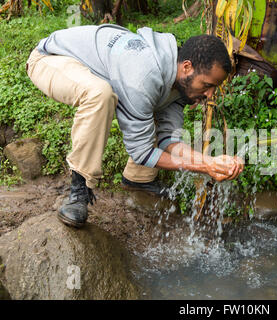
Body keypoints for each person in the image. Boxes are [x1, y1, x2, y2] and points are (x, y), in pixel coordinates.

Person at [26, 24, 244, 228]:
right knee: (100, 94)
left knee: (141, 102)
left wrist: (209, 161)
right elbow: (142, 152)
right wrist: (204, 168)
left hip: (94, 68)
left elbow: (169, 139)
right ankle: (79, 189)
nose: (209, 95)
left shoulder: (180, 82)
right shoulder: (144, 75)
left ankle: (138, 179)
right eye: (207, 85)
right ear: (187, 67)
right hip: (51, 59)